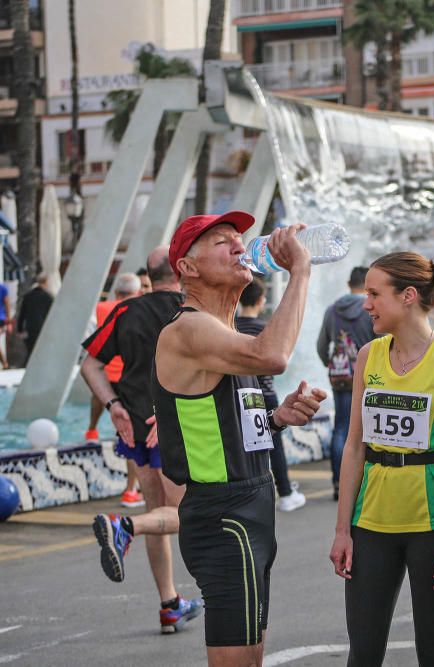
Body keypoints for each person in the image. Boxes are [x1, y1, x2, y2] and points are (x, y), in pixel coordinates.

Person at [153, 212, 325, 666]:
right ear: (187, 269)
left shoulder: (222, 334)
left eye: (240, 239)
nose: (239, 246)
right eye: (221, 242)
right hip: (226, 516)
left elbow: (221, 425)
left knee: (250, 657)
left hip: (249, 511)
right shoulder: (188, 328)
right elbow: (272, 356)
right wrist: (300, 271)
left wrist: (276, 419)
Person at [328, 252, 434, 667]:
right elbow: (355, 446)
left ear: (409, 296)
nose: (366, 304)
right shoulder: (369, 355)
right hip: (372, 521)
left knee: (433, 651)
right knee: (362, 653)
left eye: (375, 294)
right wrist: (343, 530)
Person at [82, 250, 202, 634]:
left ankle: (169, 604)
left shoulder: (125, 311)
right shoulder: (192, 311)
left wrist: (112, 405)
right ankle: (124, 527)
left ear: (149, 275)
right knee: (185, 514)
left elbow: (90, 363)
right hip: (176, 426)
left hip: (134, 424)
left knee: (158, 513)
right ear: (183, 269)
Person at [237, 277, 307, 512]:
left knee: (242, 445)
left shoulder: (231, 328)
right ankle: (285, 492)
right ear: (260, 300)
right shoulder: (265, 329)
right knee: (273, 445)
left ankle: (247, 494)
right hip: (264, 394)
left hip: (238, 394)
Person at [316, 266, 376, 501]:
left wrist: (331, 366)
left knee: (341, 428)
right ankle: (360, 484)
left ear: (349, 283)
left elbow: (322, 345)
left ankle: (339, 483)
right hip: (370, 377)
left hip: (341, 378)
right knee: (367, 430)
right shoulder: (371, 310)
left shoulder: (332, 310)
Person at [87, 273, 143, 508]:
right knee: (130, 436)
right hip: (128, 377)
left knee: (100, 398)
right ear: (137, 292)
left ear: (116, 292)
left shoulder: (102, 307)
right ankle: (130, 491)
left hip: (105, 374)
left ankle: (91, 430)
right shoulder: (139, 309)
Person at [15, 273, 53, 359]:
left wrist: (19, 329)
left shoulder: (28, 296)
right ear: (46, 282)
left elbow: (22, 313)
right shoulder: (48, 297)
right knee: (42, 351)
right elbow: (52, 315)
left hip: (30, 327)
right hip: (43, 328)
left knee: (31, 351)